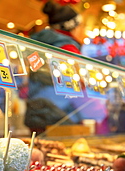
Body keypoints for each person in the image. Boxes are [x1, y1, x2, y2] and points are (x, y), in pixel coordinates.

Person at [24, 1, 83, 134]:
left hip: (35, 110)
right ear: (72, 26)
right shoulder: (68, 48)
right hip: (61, 115)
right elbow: (75, 85)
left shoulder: (36, 45)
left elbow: (36, 74)